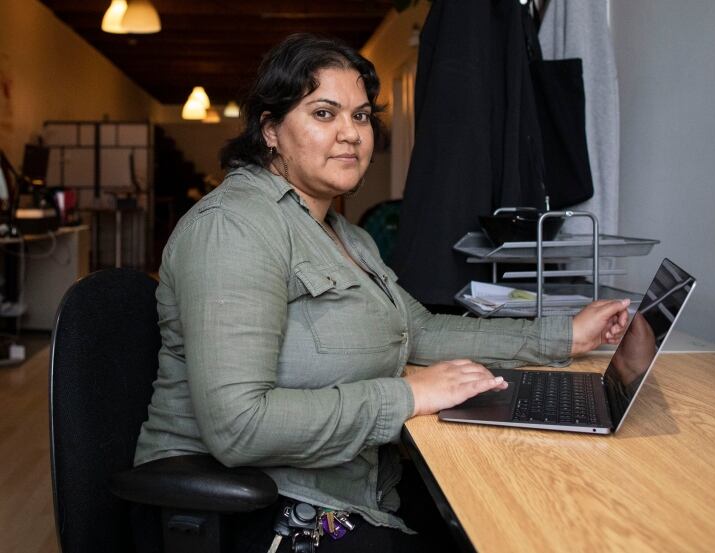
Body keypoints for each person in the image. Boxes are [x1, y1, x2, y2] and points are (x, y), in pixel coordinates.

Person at [134, 34, 631, 553]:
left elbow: (420, 329)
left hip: (356, 485)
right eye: (324, 113)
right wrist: (411, 394)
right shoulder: (234, 228)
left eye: (362, 116)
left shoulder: (347, 236)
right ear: (271, 131)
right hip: (255, 508)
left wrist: (565, 336)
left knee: (523, 519)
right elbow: (240, 426)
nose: (351, 134)